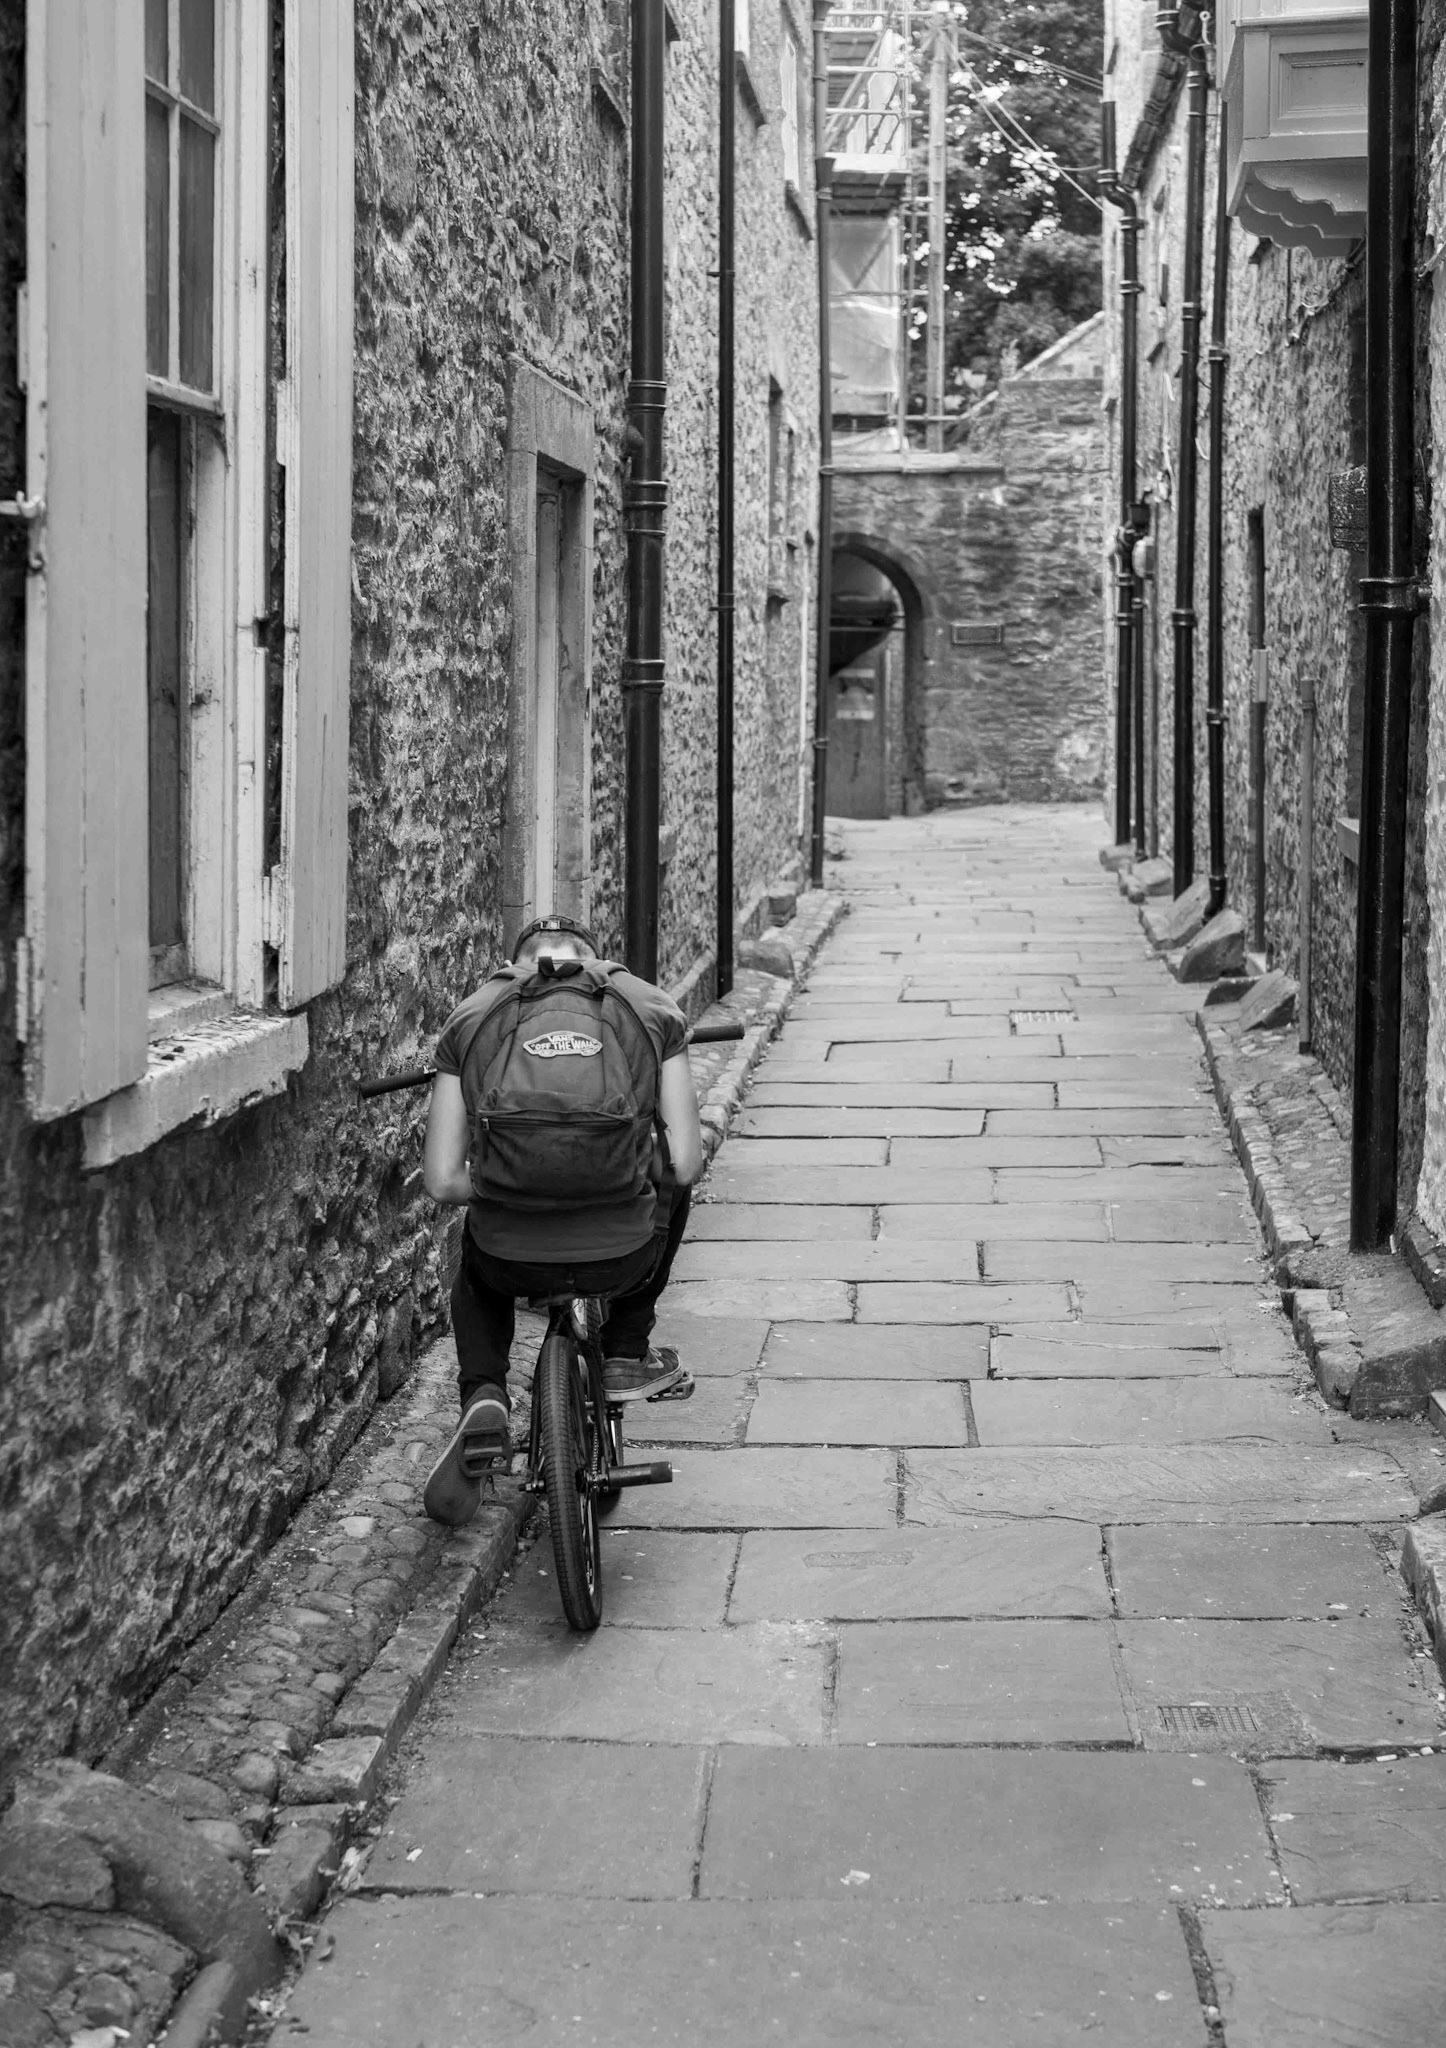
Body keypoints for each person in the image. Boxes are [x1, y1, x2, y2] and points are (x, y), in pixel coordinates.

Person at [419, 913, 704, 1525]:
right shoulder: (647, 1008)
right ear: (593, 957)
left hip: (508, 1254)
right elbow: (683, 1163)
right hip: (623, 1252)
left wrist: (506, 1182)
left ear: (519, 960)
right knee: (673, 1187)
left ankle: (485, 1392)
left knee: (474, 1261)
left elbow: (442, 1181)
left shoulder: (474, 1016)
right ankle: (624, 1349)